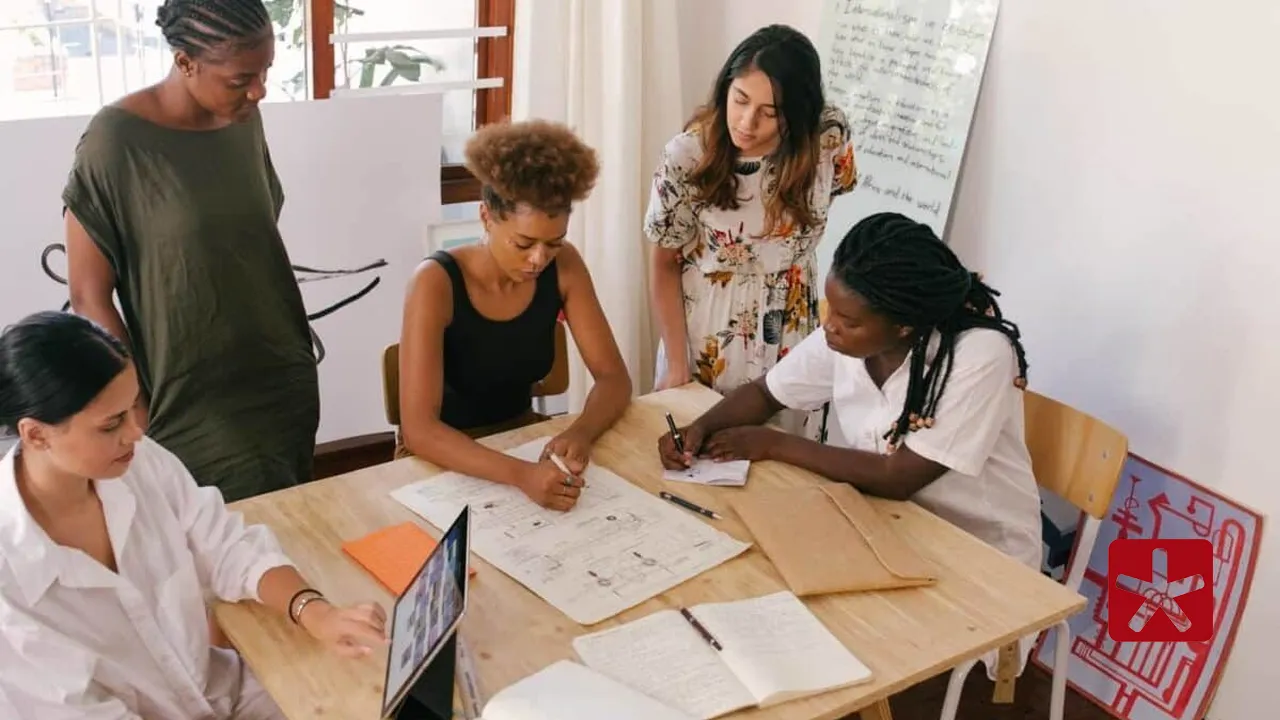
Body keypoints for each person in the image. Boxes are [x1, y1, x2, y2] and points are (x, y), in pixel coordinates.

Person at [0, 311, 387, 719]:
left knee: (375, 691)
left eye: (134, 406)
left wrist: (314, 611)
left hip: (226, 695)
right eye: (112, 423)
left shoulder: (138, 463)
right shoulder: (11, 580)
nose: (136, 432)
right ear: (36, 434)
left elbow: (225, 546)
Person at [659, 212, 1042, 568]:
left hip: (983, 555)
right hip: (889, 524)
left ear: (903, 326)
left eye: (847, 320)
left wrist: (773, 444)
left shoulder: (978, 354)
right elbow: (766, 394)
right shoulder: (848, 338)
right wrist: (699, 430)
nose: (829, 326)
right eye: (832, 311)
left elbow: (898, 477)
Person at [62, 0, 318, 503]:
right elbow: (88, 294)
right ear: (185, 62)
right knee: (216, 549)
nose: (258, 90)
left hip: (280, 375)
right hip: (188, 395)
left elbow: (246, 245)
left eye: (265, 71)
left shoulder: (243, 119)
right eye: (240, 78)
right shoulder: (115, 141)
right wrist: (131, 400)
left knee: (288, 533)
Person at [398, 119, 633, 512]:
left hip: (520, 440)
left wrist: (581, 432)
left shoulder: (565, 267)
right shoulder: (435, 282)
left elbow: (613, 378)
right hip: (441, 459)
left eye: (553, 243)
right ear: (486, 217)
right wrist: (521, 475)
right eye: (523, 243)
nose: (539, 259)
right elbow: (419, 430)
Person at [646, 24, 858, 438]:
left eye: (770, 111)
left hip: (794, 325)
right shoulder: (687, 157)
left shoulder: (827, 137)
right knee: (701, 454)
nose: (746, 121)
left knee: (788, 465)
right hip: (710, 330)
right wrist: (676, 364)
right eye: (740, 99)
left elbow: (836, 188)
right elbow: (663, 264)